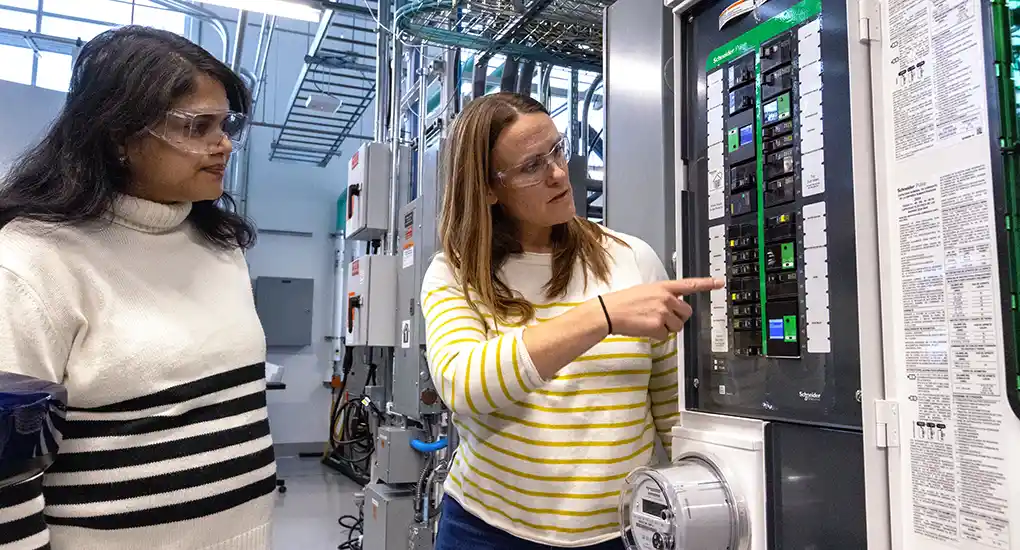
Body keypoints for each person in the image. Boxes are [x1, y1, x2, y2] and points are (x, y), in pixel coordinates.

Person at [0, 27, 275, 550]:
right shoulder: (32, 261)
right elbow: (4, 478)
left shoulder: (219, 246)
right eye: (199, 126)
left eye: (226, 123)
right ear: (119, 137)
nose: (224, 145)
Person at [421, 92, 723, 550]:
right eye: (531, 166)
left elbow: (670, 408)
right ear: (487, 188)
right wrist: (601, 316)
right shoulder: (457, 271)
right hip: (488, 531)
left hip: (619, 533)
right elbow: (464, 385)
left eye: (557, 150)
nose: (559, 174)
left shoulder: (630, 259)